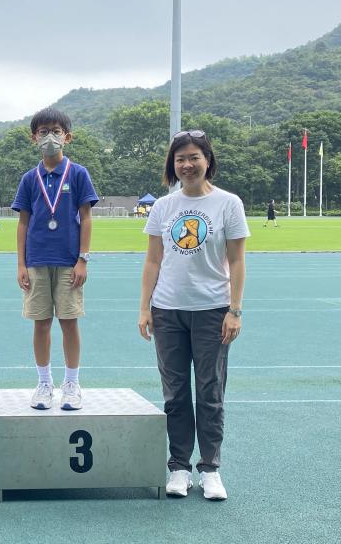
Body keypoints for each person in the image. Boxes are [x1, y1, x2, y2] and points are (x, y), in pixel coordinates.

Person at [138, 129, 249, 500]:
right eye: (180, 158)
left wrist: (234, 310)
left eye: (194, 157)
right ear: (173, 164)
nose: (187, 164)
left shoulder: (228, 204)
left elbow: (236, 260)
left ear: (207, 160)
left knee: (210, 390)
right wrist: (145, 308)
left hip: (212, 310)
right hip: (168, 310)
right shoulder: (164, 207)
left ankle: (210, 469)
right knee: (175, 394)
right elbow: (153, 260)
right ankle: (179, 467)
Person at [12, 107, 99, 410]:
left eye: (56, 131)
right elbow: (23, 222)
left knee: (69, 322)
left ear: (68, 137)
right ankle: (44, 383)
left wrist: (83, 259)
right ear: (33, 137)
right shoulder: (29, 178)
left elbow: (86, 218)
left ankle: (72, 384)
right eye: (43, 131)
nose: (50, 137)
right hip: (36, 261)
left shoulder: (78, 174)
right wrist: (21, 264)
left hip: (68, 261)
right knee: (41, 323)